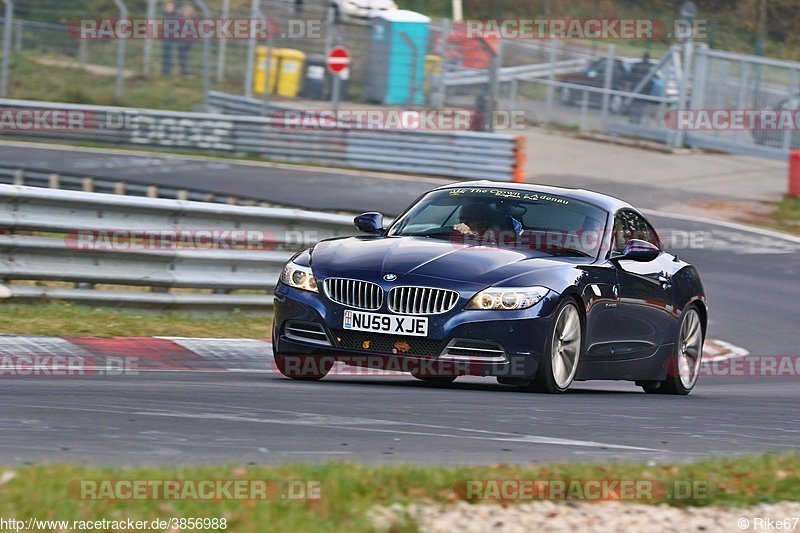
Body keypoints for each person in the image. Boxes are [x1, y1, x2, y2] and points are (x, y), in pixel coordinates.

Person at [177, 3, 195, 76]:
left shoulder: (192, 20)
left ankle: (185, 71)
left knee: (185, 57)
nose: (186, 12)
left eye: (188, 11)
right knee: (181, 57)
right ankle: (183, 71)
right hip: (181, 42)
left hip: (188, 42)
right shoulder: (180, 20)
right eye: (185, 11)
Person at [161, 1, 178, 75]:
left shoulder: (174, 16)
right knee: (165, 55)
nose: (169, 8)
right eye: (167, 7)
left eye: (170, 7)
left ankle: (167, 71)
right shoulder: (165, 15)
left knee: (169, 55)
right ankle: (165, 70)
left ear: (173, 8)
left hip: (170, 39)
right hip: (165, 38)